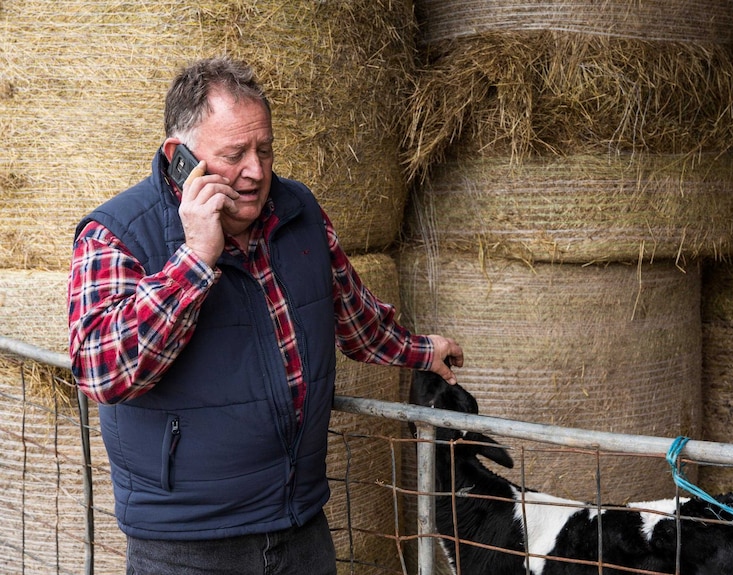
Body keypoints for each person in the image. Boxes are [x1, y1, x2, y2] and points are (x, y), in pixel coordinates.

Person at [67, 56, 463, 575]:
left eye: (265, 149)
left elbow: (351, 311)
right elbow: (102, 372)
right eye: (235, 154)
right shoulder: (117, 233)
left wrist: (420, 350)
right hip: (188, 544)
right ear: (179, 157)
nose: (256, 171)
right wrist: (194, 260)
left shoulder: (297, 210)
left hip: (300, 527)